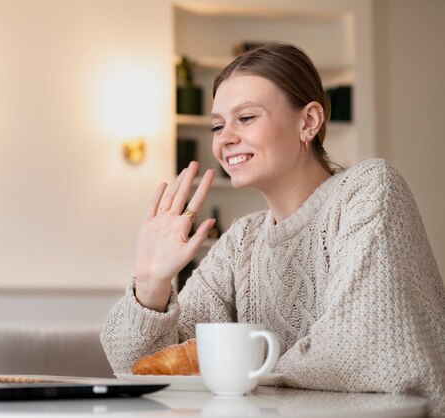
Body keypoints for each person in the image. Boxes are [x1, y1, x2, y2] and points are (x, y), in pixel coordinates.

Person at [100, 42, 445, 416]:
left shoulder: (369, 190)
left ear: (309, 122)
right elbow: (139, 369)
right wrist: (152, 284)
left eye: (246, 118)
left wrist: (239, 377)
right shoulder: (240, 242)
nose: (224, 138)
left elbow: (360, 347)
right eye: (218, 125)